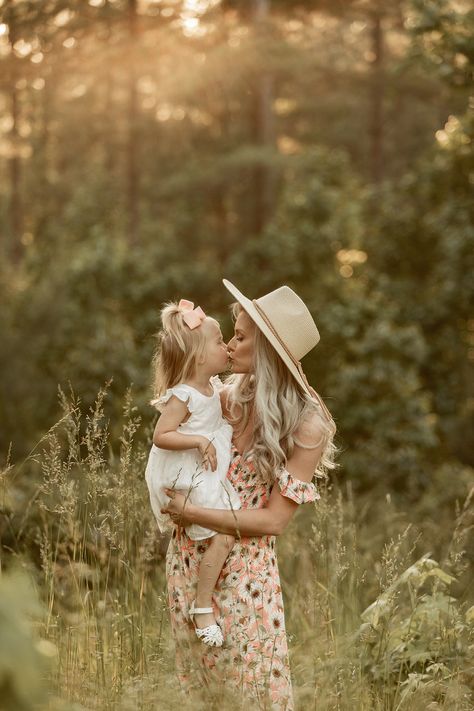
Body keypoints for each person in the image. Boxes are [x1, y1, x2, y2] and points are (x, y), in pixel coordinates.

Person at [161, 280, 337, 710]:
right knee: (201, 695)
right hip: (188, 559)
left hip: (246, 578)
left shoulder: (307, 427)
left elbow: (275, 521)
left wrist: (193, 510)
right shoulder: (224, 399)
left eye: (240, 337)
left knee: (254, 692)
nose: (232, 344)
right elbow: (171, 422)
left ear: (267, 352)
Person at [145, 299, 241, 648]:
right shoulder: (184, 394)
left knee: (225, 531)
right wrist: (199, 440)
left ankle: (202, 602)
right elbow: (161, 435)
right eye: (219, 342)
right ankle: (202, 607)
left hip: (201, 470)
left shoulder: (212, 387)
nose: (227, 346)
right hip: (184, 472)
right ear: (200, 356)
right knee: (226, 532)